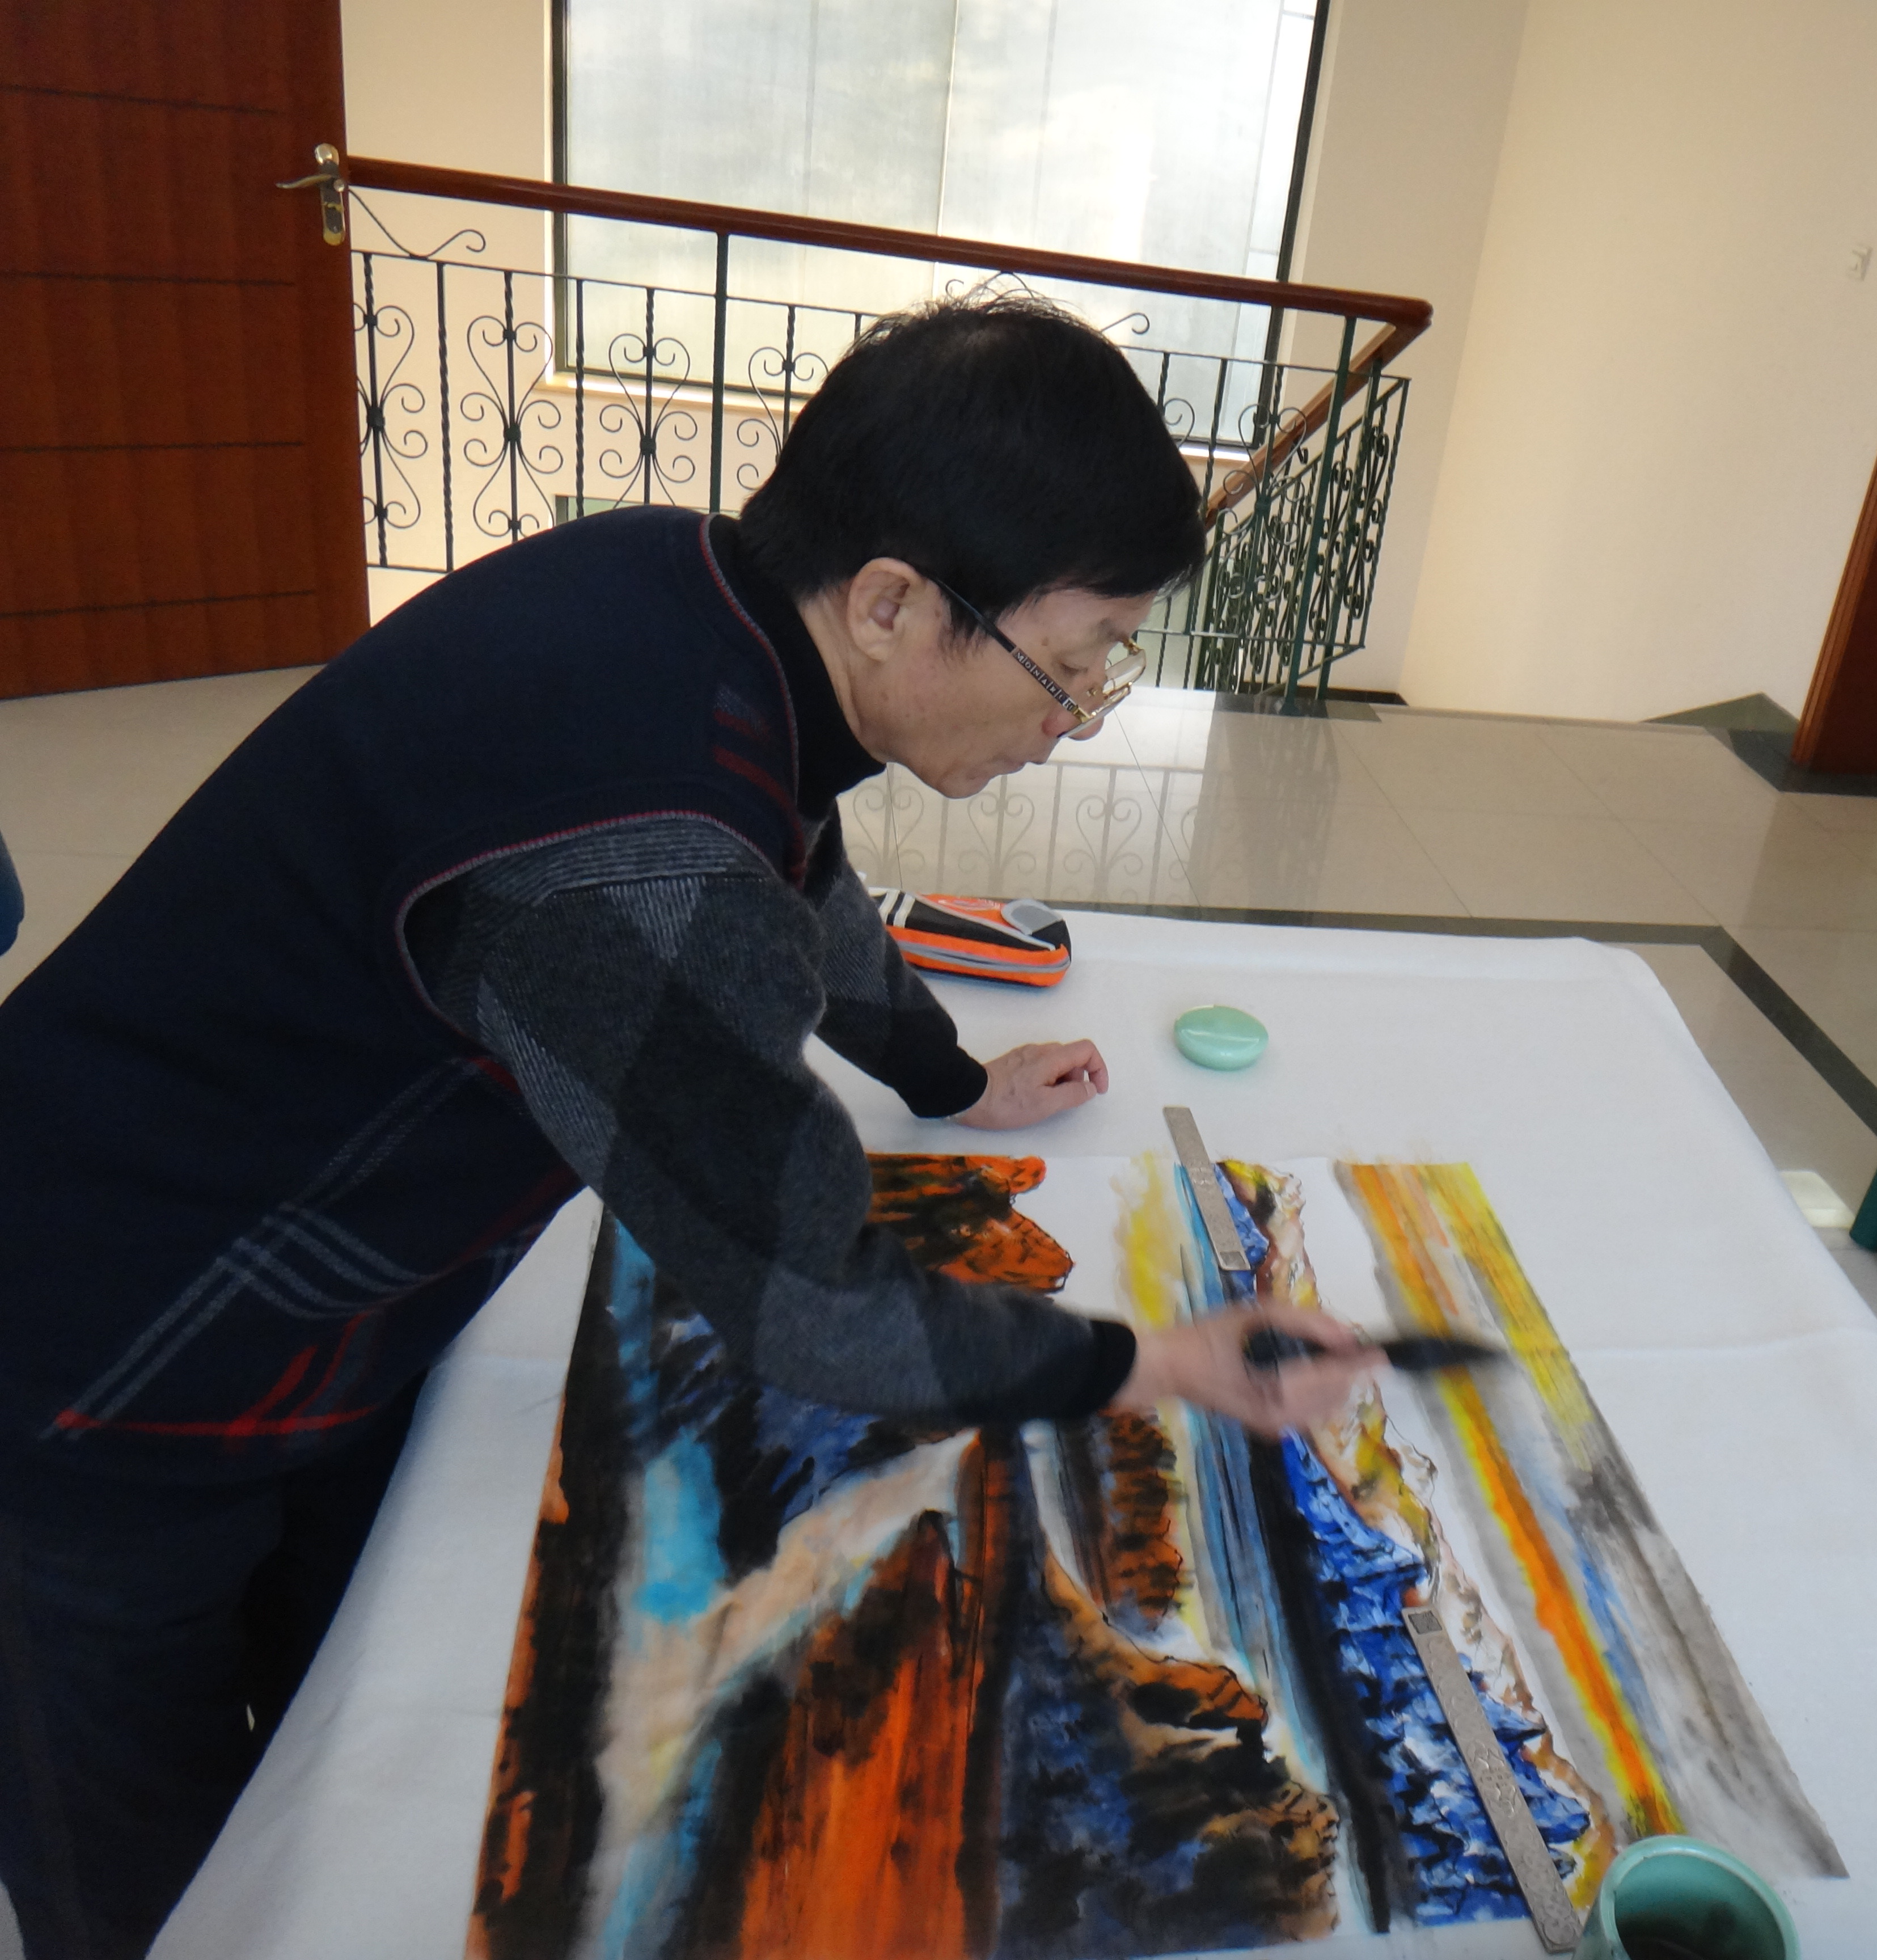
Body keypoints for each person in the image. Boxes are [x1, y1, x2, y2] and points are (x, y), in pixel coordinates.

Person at [0, 294, 1373, 1960]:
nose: (1076, 715)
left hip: (314, 1288)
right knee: (156, 1887)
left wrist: (945, 1079)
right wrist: (1150, 1361)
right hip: (99, 1370)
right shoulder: (643, 866)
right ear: (893, 601)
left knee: (331, 1739)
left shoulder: (685, 587)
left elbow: (792, 853)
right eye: (1070, 662)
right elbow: (809, 1300)